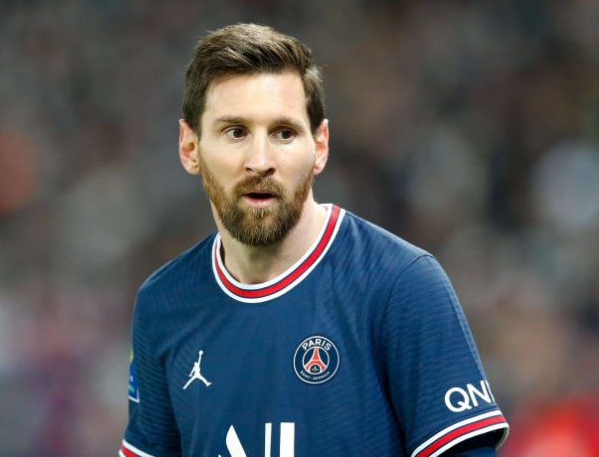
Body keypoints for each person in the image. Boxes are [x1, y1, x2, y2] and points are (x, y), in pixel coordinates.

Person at [119, 23, 509, 457]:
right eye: (236, 132)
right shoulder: (163, 304)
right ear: (190, 147)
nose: (260, 161)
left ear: (320, 146)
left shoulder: (401, 285)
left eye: (283, 133)